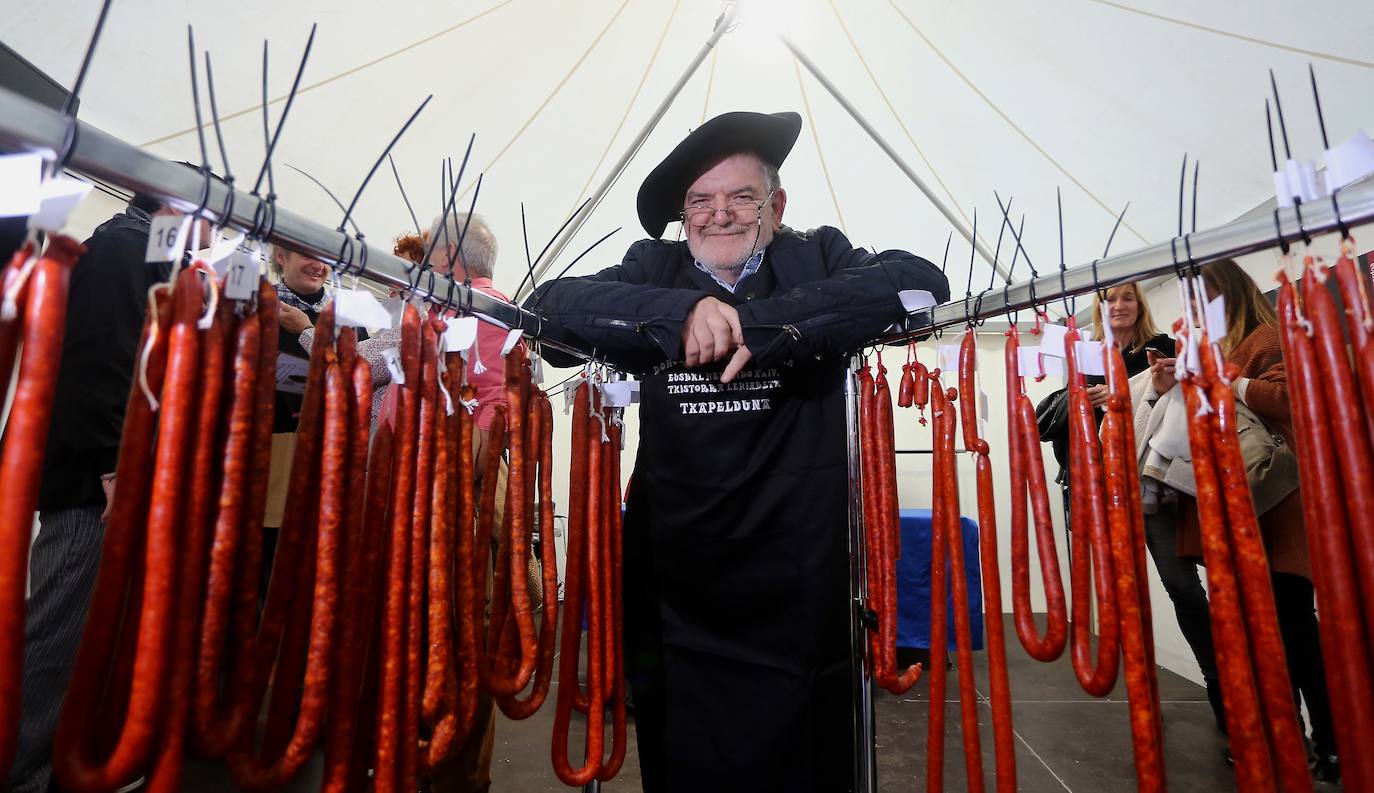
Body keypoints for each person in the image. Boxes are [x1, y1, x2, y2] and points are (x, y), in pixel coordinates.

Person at [530, 110, 949, 792]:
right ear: (682, 214)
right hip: (680, 586)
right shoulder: (653, 267)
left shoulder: (814, 256)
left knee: (806, 764)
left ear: (776, 207)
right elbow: (548, 312)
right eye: (701, 200)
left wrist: (768, 323)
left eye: (742, 197)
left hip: (799, 583)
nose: (719, 214)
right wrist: (676, 315)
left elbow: (922, 285)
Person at [14, 188, 210, 793]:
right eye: (209, 219)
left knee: (87, 630)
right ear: (177, 211)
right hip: (93, 485)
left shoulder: (144, 257)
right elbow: (102, 363)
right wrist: (113, 465)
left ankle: (58, 768)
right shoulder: (124, 250)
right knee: (60, 631)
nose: (213, 235)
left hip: (110, 476)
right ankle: (21, 775)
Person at [1147, 259, 1337, 781]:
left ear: (1225, 293)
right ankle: (1283, 737)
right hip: (1230, 506)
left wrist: (1228, 384)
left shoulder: (1266, 338)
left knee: (1292, 624)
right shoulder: (1216, 350)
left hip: (1272, 504)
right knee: (1258, 630)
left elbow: (1285, 398)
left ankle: (1327, 738)